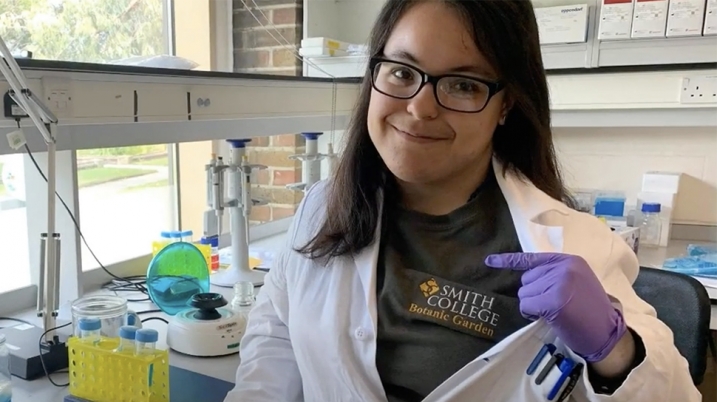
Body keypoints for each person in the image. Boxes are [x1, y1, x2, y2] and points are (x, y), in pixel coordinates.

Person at [225, 0, 700, 401]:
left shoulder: (576, 245)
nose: (419, 107)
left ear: (506, 105)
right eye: (401, 71)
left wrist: (614, 351)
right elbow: (274, 347)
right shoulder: (321, 210)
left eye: (463, 85)